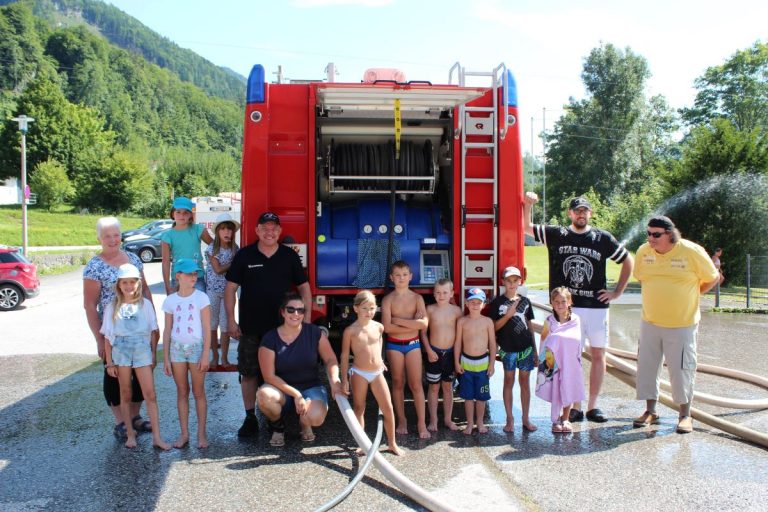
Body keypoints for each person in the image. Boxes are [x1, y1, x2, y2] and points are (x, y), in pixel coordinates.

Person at [524, 192, 633, 423]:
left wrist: (617, 292)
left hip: (595, 306)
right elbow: (526, 227)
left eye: (584, 211)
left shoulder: (601, 238)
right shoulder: (558, 234)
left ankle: (593, 406)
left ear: (590, 214)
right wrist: (529, 204)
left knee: (598, 354)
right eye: (577, 210)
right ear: (570, 213)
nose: (581, 214)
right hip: (567, 309)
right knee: (570, 356)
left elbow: (627, 260)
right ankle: (575, 405)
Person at [225, 212, 311, 438]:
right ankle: (250, 417)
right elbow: (230, 289)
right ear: (257, 231)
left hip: (282, 330)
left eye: (274, 228)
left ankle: (281, 415)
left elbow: (304, 288)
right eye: (265, 228)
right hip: (251, 327)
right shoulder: (244, 255)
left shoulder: (288, 256)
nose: (269, 232)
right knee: (249, 372)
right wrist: (231, 320)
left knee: (282, 372)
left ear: (280, 231)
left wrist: (306, 318)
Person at [632, 216, 719, 434]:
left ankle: (685, 415)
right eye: (649, 233)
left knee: (681, 370)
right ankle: (650, 411)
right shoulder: (644, 252)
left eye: (656, 234)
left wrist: (693, 293)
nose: (651, 238)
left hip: (682, 324)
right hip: (650, 321)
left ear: (670, 234)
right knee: (647, 367)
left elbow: (713, 277)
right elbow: (642, 278)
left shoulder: (691, 252)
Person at [83, 216, 154, 438]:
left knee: (141, 376)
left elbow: (146, 292)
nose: (113, 240)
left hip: (139, 332)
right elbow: (90, 305)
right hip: (114, 334)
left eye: (116, 235)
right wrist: (99, 340)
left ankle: (135, 416)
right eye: (107, 236)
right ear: (99, 238)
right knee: (114, 378)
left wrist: (153, 327)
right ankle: (120, 421)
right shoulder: (94, 266)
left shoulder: (133, 258)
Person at [257, 294, 343, 447]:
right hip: (281, 390)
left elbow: (330, 359)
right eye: (291, 309)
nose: (296, 314)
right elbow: (268, 376)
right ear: (283, 312)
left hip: (311, 386)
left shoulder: (314, 333)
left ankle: (305, 423)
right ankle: (278, 426)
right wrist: (296, 394)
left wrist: (335, 380)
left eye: (300, 310)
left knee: (316, 417)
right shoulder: (270, 338)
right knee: (264, 396)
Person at [101, 264, 170, 450]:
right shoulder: (112, 306)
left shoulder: (145, 304)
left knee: (151, 394)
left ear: (138, 283)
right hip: (121, 350)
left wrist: (154, 355)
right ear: (119, 284)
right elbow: (107, 337)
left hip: (141, 349)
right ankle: (130, 434)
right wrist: (109, 362)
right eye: (125, 282)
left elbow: (155, 331)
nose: (129, 286)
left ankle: (157, 437)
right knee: (125, 393)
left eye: (132, 282)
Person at [340, 290, 402, 455]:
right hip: (359, 372)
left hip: (376, 373)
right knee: (359, 407)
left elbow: (379, 342)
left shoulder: (379, 327)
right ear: (356, 309)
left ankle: (392, 443)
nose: (369, 312)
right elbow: (345, 355)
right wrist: (344, 379)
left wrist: (380, 360)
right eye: (365, 308)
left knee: (388, 408)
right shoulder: (350, 331)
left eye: (372, 308)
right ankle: (362, 444)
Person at [162, 258, 212, 449]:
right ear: (178, 276)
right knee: (182, 392)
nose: (193, 277)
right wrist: (166, 357)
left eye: (195, 273)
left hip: (196, 349)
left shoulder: (201, 298)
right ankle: (184, 434)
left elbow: (207, 328)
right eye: (189, 273)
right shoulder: (170, 301)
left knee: (198, 392)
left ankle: (201, 434)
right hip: (176, 350)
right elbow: (167, 331)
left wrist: (206, 354)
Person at [381, 260, 430, 439]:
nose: (401, 278)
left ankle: (421, 423)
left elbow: (424, 324)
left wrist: (398, 321)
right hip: (394, 345)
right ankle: (401, 420)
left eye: (404, 275)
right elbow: (387, 328)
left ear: (410, 276)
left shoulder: (417, 298)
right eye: (397, 275)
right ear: (391, 278)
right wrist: (413, 324)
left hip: (412, 345)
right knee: (398, 382)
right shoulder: (388, 300)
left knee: (416, 384)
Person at [488, 266, 538, 433]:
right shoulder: (497, 303)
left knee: (525, 383)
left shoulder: (525, 301)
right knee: (508, 381)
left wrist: (535, 351)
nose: (512, 283)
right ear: (503, 282)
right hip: (508, 349)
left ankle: (525, 418)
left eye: (515, 280)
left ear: (520, 282)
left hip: (526, 349)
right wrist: (508, 315)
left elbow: (530, 326)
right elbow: (493, 327)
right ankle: (510, 418)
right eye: (508, 281)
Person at [535, 287, 585, 434]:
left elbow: (576, 340)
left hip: (570, 361)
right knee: (556, 389)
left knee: (568, 386)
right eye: (556, 302)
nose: (560, 305)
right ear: (551, 303)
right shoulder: (549, 321)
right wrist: (541, 361)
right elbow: (544, 341)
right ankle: (555, 420)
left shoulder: (576, 320)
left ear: (570, 302)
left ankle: (565, 418)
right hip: (553, 362)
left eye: (563, 301)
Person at [422, 278, 463, 432]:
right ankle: (433, 420)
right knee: (433, 387)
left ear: (451, 293)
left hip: (451, 354)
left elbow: (460, 336)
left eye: (445, 292)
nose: (441, 295)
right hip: (434, 353)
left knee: (448, 387)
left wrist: (458, 357)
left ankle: (448, 419)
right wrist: (429, 350)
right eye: (438, 292)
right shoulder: (430, 309)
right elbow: (423, 333)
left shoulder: (457, 311)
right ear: (433, 294)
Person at [454, 288, 496, 435]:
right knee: (468, 396)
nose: (475, 305)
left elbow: (492, 344)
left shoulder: (487, 322)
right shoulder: (462, 322)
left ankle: (480, 422)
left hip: (483, 364)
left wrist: (492, 363)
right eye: (472, 302)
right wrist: (456, 362)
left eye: (479, 302)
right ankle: (470, 423)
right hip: (466, 363)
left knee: (481, 397)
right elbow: (458, 343)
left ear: (483, 304)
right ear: (467, 303)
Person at [204, 213, 240, 368]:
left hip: (228, 293)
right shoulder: (212, 248)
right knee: (212, 324)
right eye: (223, 229)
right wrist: (234, 264)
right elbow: (218, 270)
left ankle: (224, 358)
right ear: (218, 231)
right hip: (212, 290)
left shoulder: (235, 249)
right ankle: (215, 356)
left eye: (230, 230)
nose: (227, 232)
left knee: (225, 326)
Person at [160, 197, 214, 295]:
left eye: (186, 212)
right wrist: (167, 286)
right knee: (178, 309)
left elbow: (214, 247)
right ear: (173, 213)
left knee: (200, 309)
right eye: (178, 212)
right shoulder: (167, 236)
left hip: (197, 278)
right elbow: (165, 262)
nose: (182, 215)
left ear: (190, 215)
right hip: (178, 279)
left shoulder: (198, 229)